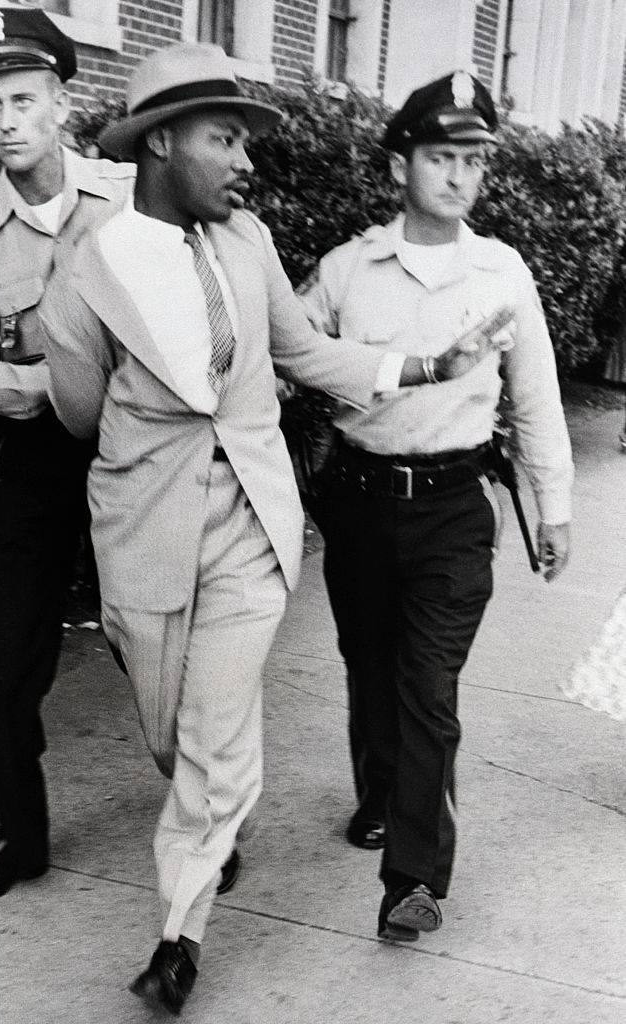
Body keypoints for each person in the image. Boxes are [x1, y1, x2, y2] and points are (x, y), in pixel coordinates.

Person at [38, 44, 513, 1014]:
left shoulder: (247, 242)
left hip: (250, 526)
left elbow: (310, 353)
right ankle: (214, 821)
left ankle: (178, 936)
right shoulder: (85, 271)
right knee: (173, 734)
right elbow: (80, 412)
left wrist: (428, 367)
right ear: (160, 142)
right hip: (144, 532)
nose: (245, 161)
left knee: (215, 733)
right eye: (225, 140)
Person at [297, 70, 574, 943]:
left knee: (428, 685)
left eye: (474, 161)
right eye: (441, 157)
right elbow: (288, 357)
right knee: (370, 663)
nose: (459, 176)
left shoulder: (502, 273)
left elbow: (536, 396)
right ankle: (381, 789)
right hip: (360, 501)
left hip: (455, 507)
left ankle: (412, 879)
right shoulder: (345, 271)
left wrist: (554, 507)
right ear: (399, 167)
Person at [0, 5, 135, 904]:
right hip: (37, 454)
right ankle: (19, 837)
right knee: (12, 661)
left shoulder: (128, 198)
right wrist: (60, 382)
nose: (7, 121)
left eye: (23, 100)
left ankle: (206, 821)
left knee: (154, 645)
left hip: (135, 447)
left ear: (61, 104)